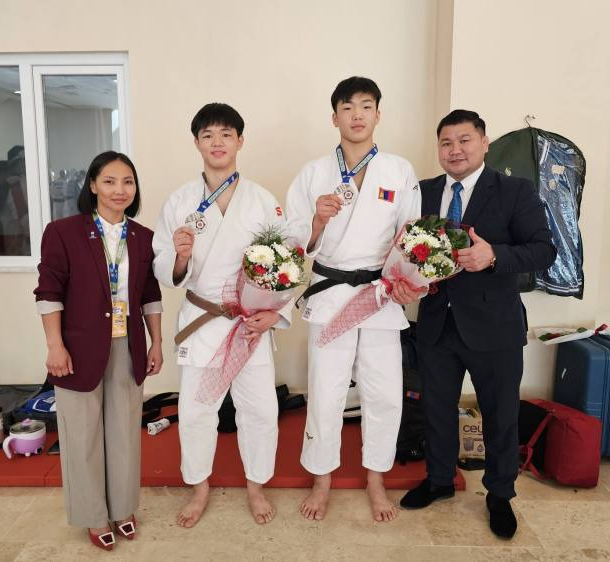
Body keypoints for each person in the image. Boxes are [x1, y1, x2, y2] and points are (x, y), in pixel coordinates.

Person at [394, 110, 556, 539]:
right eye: (446, 143)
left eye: (464, 140)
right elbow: (405, 249)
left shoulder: (514, 191)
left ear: (484, 143)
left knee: (500, 416)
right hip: (436, 324)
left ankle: (499, 494)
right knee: (435, 410)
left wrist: (494, 255)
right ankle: (439, 480)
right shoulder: (423, 192)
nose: (455, 150)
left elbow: (544, 250)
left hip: (495, 327)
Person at [285, 76, 421, 522]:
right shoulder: (313, 173)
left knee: (384, 393)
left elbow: (412, 236)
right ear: (334, 117)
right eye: (347, 107)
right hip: (330, 293)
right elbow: (292, 241)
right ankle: (322, 478)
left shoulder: (398, 170)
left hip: (380, 295)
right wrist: (316, 222)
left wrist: (407, 280)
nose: (357, 115)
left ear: (378, 114)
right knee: (326, 390)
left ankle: (375, 479)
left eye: (365, 106)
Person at [152, 103, 291, 528]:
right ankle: (199, 488)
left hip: (250, 323)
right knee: (196, 411)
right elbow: (163, 267)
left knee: (260, 409)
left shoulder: (262, 200)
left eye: (226, 134)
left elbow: (287, 264)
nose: (217, 142)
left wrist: (275, 314)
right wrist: (179, 256)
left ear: (240, 142)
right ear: (196, 142)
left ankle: (256, 485)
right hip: (204, 319)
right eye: (208, 135)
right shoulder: (180, 201)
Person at [34, 151, 163, 551]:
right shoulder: (63, 232)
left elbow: (149, 294)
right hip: (77, 347)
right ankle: (93, 514)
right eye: (109, 181)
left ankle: (122, 508)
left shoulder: (142, 237)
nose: (119, 190)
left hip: (128, 345)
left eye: (128, 181)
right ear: (92, 185)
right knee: (83, 434)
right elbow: (48, 291)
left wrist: (156, 342)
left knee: (124, 431)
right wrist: (54, 346)